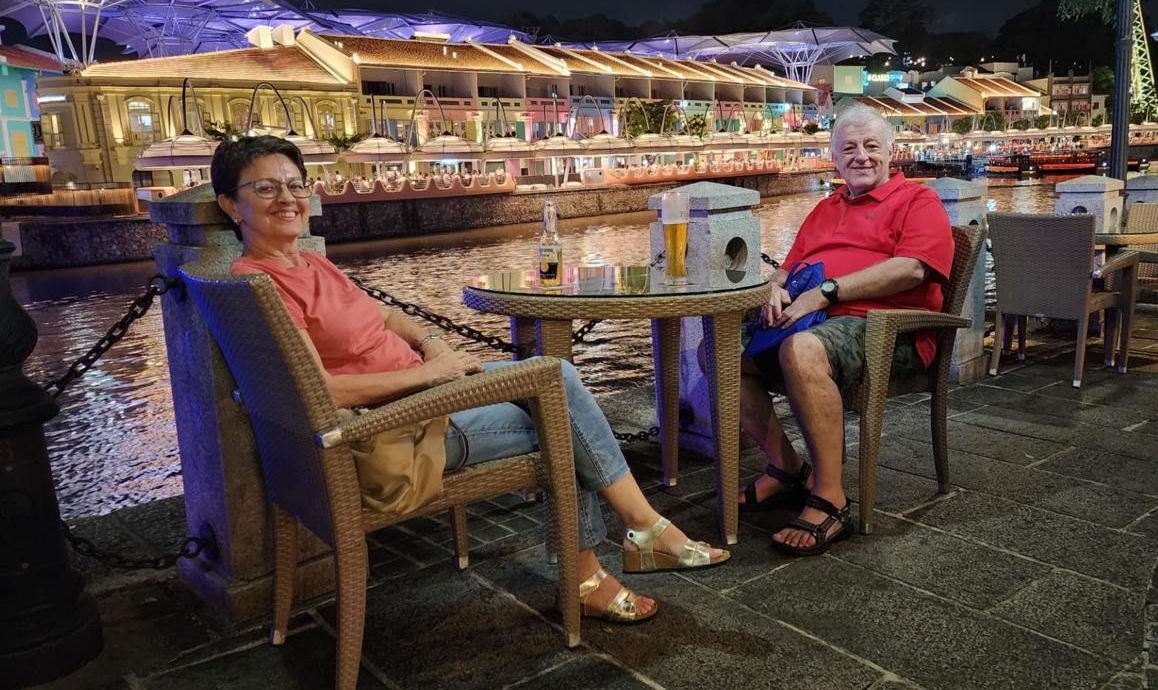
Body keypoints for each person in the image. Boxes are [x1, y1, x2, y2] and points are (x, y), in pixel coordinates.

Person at [211, 135, 728, 625]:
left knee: (557, 379)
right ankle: (618, 552)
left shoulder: (311, 264)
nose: (287, 198)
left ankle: (626, 545)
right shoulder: (260, 285)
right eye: (265, 188)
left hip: (428, 395)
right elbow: (319, 393)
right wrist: (433, 374)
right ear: (231, 206)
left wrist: (431, 344)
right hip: (398, 431)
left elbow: (387, 319)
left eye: (296, 184)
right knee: (562, 418)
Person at [739, 103, 953, 556]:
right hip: (815, 321)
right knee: (718, 353)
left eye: (872, 146)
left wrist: (828, 292)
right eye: (848, 148)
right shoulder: (824, 208)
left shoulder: (918, 200)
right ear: (833, 158)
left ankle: (831, 497)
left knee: (801, 349)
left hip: (886, 329)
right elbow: (788, 269)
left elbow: (914, 269)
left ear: (892, 152)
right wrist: (773, 289)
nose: (861, 156)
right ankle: (785, 468)